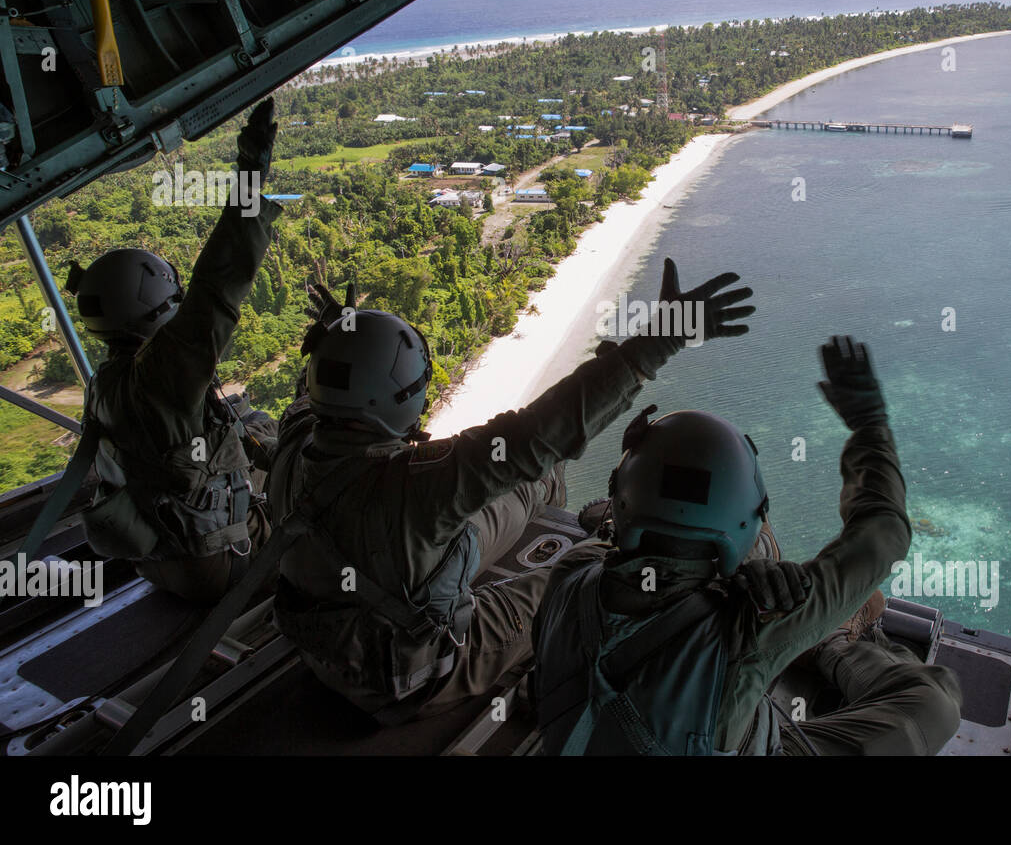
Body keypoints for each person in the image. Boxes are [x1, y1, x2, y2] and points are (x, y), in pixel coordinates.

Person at [267, 259, 755, 725]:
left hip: (324, 646)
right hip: (407, 674)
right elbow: (542, 433)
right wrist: (661, 339)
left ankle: (555, 515)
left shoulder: (294, 439)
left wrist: (342, 337)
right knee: (579, 581)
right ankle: (594, 542)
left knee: (533, 478)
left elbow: (533, 442)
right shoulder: (419, 485)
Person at [531, 335, 963, 755]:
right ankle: (832, 643)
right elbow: (883, 532)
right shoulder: (750, 628)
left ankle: (826, 636)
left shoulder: (572, 572)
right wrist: (870, 425)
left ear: (619, 500)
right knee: (933, 702)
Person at [66, 100, 281, 605]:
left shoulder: (105, 383)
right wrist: (251, 172)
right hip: (216, 565)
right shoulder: (164, 373)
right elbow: (221, 281)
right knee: (296, 456)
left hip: (154, 565)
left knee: (250, 420)